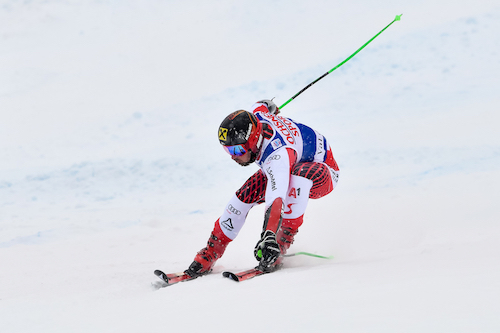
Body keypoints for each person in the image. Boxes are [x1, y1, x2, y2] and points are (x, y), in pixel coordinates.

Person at [184, 99, 340, 276]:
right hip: (293, 164)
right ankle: (209, 254)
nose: (233, 157)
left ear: (252, 141)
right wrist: (270, 105)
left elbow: (276, 199)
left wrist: (269, 236)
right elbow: (261, 105)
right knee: (243, 196)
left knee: (297, 176)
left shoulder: (278, 156)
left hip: (323, 174)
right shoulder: (256, 116)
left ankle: (280, 245)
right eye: (228, 151)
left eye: (236, 151)